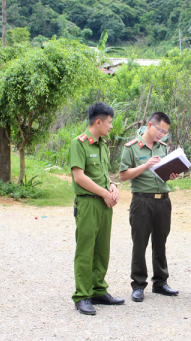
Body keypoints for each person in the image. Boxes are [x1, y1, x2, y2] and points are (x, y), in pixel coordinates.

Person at [69, 102, 123, 316]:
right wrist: (104, 193)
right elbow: (79, 177)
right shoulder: (79, 144)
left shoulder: (102, 145)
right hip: (88, 203)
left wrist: (112, 185)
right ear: (98, 122)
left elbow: (103, 174)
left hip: (104, 203)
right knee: (85, 250)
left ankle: (98, 290)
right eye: (109, 122)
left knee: (102, 249)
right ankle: (82, 296)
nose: (111, 126)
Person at [120, 112, 179, 302]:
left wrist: (171, 174)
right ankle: (138, 285)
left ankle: (160, 282)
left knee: (160, 242)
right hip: (142, 201)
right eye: (160, 130)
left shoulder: (162, 148)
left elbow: (162, 172)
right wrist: (145, 166)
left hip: (163, 200)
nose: (162, 135)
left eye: (165, 132)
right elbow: (123, 175)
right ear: (149, 126)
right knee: (140, 243)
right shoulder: (131, 148)